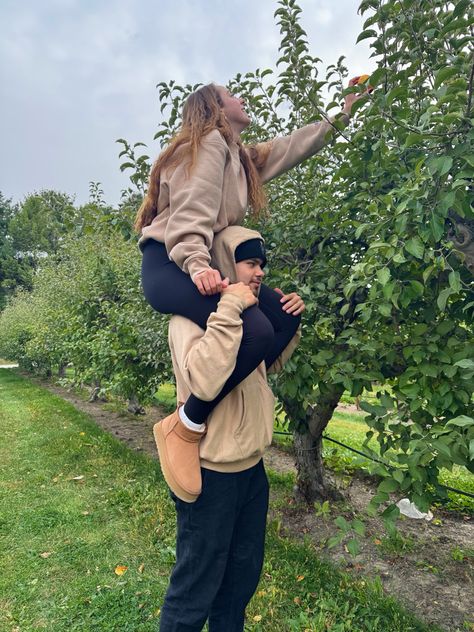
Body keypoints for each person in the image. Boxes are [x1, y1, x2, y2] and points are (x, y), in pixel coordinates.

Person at [137, 80, 365, 502]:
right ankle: (185, 426)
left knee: (284, 314)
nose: (242, 98)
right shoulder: (207, 144)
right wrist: (198, 265)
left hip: (197, 260)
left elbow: (290, 147)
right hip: (171, 265)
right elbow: (191, 208)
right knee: (256, 329)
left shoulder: (239, 157)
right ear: (216, 108)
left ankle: (238, 385)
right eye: (232, 94)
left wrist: (342, 115)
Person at [157, 225, 304, 631]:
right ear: (224, 264)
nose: (259, 273)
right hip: (210, 473)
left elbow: (263, 368)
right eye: (250, 264)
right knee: (194, 588)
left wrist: (289, 324)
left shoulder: (249, 317)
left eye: (262, 265)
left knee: (239, 584)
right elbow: (205, 381)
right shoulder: (187, 321)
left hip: (252, 471)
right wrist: (229, 309)